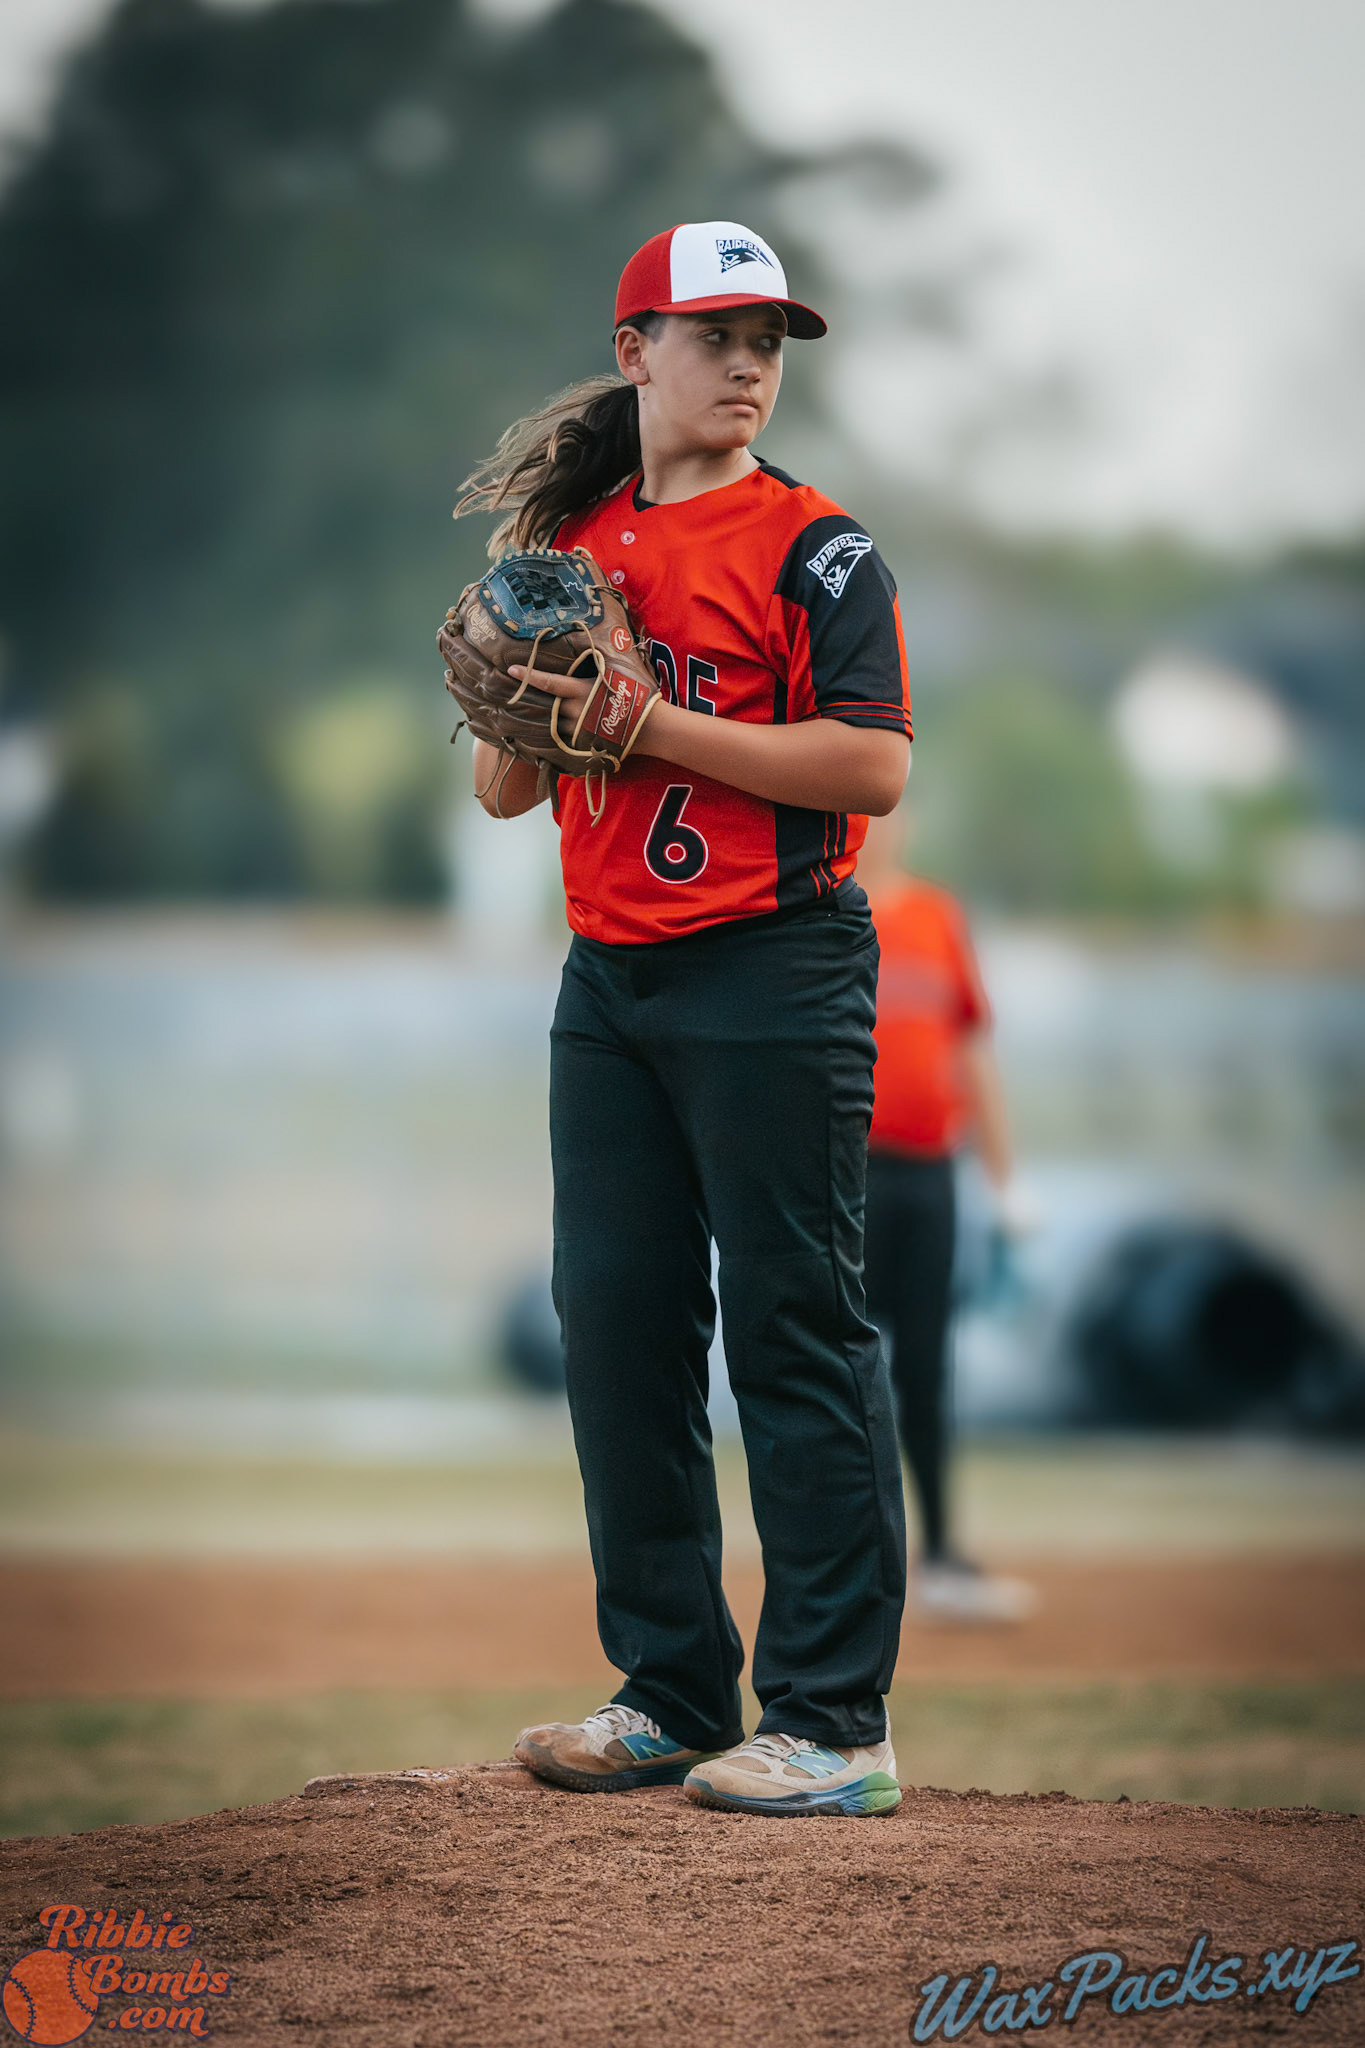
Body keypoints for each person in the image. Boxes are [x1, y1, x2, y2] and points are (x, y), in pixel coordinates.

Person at [450, 221, 912, 1817]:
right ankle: (670, 1692)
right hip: (611, 982)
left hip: (772, 971)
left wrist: (657, 720)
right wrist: (521, 698)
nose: (747, 365)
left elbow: (872, 768)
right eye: (714, 335)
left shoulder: (819, 548)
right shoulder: (575, 537)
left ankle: (837, 1727)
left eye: (767, 341)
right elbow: (512, 790)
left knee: (796, 1329)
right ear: (635, 347)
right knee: (621, 1331)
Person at [857, 804, 1037, 1623]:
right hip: (842, 1173)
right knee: (841, 1372)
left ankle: (940, 1554)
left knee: (925, 1367)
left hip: (929, 1176)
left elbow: (971, 1054)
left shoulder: (936, 918)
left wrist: (1007, 1185)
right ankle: (855, 1562)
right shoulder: (821, 912)